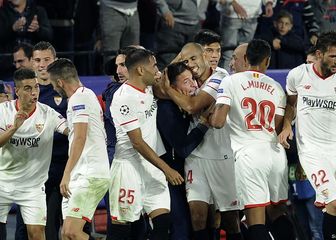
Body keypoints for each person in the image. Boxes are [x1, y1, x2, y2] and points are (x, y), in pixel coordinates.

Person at [210, 39, 295, 240]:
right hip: (275, 154)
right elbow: (276, 125)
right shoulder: (276, 86)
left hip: (248, 156)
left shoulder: (230, 81)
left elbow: (218, 122)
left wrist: (210, 114)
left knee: (255, 220)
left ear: (246, 59)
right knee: (278, 213)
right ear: (267, 61)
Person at [163, 43, 242, 240]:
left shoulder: (220, 77)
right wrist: (174, 67)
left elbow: (192, 106)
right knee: (197, 217)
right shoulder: (188, 80)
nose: (190, 64)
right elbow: (159, 84)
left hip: (222, 155)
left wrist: (168, 89)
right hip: (196, 156)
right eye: (185, 61)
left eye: (193, 59)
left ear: (205, 57)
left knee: (230, 219)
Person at [109, 48, 184, 240]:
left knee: (162, 224)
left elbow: (167, 71)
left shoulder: (149, 87)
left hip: (152, 167)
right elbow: (137, 143)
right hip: (129, 169)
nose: (157, 70)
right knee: (121, 230)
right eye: (153, 66)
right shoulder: (123, 98)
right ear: (141, 71)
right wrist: (167, 169)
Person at [278, 31, 336, 240]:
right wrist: (286, 126)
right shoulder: (298, 75)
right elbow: (291, 105)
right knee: (333, 202)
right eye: (333, 56)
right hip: (312, 150)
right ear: (319, 54)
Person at [0, 68, 68, 240]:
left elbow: (69, 130)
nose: (34, 92)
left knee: (37, 234)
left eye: (36, 87)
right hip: (3, 182)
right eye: (28, 88)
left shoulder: (48, 113)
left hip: (33, 187)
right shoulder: (3, 111)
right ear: (17, 91)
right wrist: (14, 128)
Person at [47, 58, 110, 240]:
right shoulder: (84, 95)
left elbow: (80, 137)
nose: (53, 88)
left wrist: (66, 174)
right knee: (66, 235)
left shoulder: (79, 98)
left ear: (60, 82)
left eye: (53, 84)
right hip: (81, 173)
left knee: (72, 232)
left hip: (90, 175)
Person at [102, 46, 149, 240]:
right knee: (121, 219)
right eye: (118, 66)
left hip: (141, 158)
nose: (119, 70)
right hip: (119, 158)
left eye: (123, 65)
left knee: (139, 218)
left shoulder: (146, 90)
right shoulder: (116, 92)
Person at [157, 62, 208, 240]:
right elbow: (183, 148)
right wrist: (204, 124)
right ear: (171, 87)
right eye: (186, 82)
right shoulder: (166, 110)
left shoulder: (181, 106)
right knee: (182, 230)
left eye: (193, 79)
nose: (194, 84)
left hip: (183, 175)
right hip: (170, 179)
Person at [0, 0, 53, 79]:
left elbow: (49, 36)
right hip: (8, 67)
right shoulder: (2, 13)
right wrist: (12, 29)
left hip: (36, 66)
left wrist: (38, 29)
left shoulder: (38, 11)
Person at [216, 0, 275, 70]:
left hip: (252, 16)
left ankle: (241, 79)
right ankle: (225, 78)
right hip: (231, 15)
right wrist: (232, 2)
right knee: (228, 53)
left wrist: (269, 3)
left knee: (244, 53)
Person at [153, 0, 200, 69]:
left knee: (191, 65)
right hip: (172, 22)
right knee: (167, 63)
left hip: (194, 23)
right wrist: (164, 10)